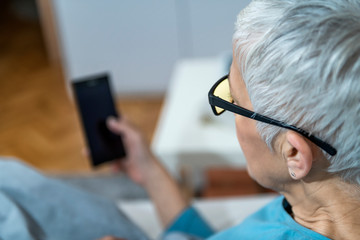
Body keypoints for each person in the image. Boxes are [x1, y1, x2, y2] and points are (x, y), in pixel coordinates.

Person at [102, 0, 360, 239]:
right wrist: (149, 170)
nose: (230, 108)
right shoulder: (308, 202)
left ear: (293, 153)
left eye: (234, 101)